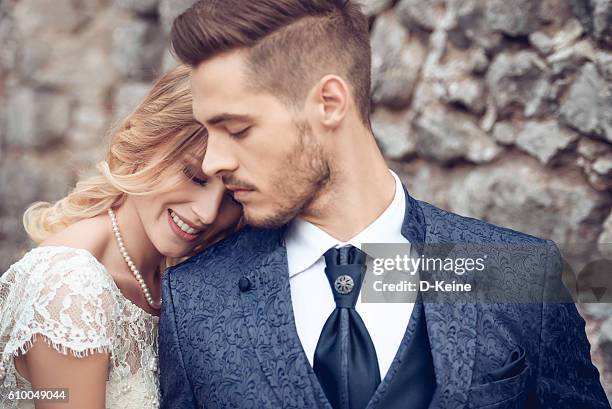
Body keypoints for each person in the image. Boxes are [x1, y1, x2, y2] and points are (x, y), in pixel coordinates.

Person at [160, 1, 611, 408]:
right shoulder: (195, 299)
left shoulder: (519, 273)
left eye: (236, 129)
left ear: (330, 102)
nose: (214, 160)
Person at [0, 64, 242, 409]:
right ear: (145, 143)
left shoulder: (169, 279)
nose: (208, 212)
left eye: (232, 195)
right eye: (194, 175)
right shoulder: (71, 284)